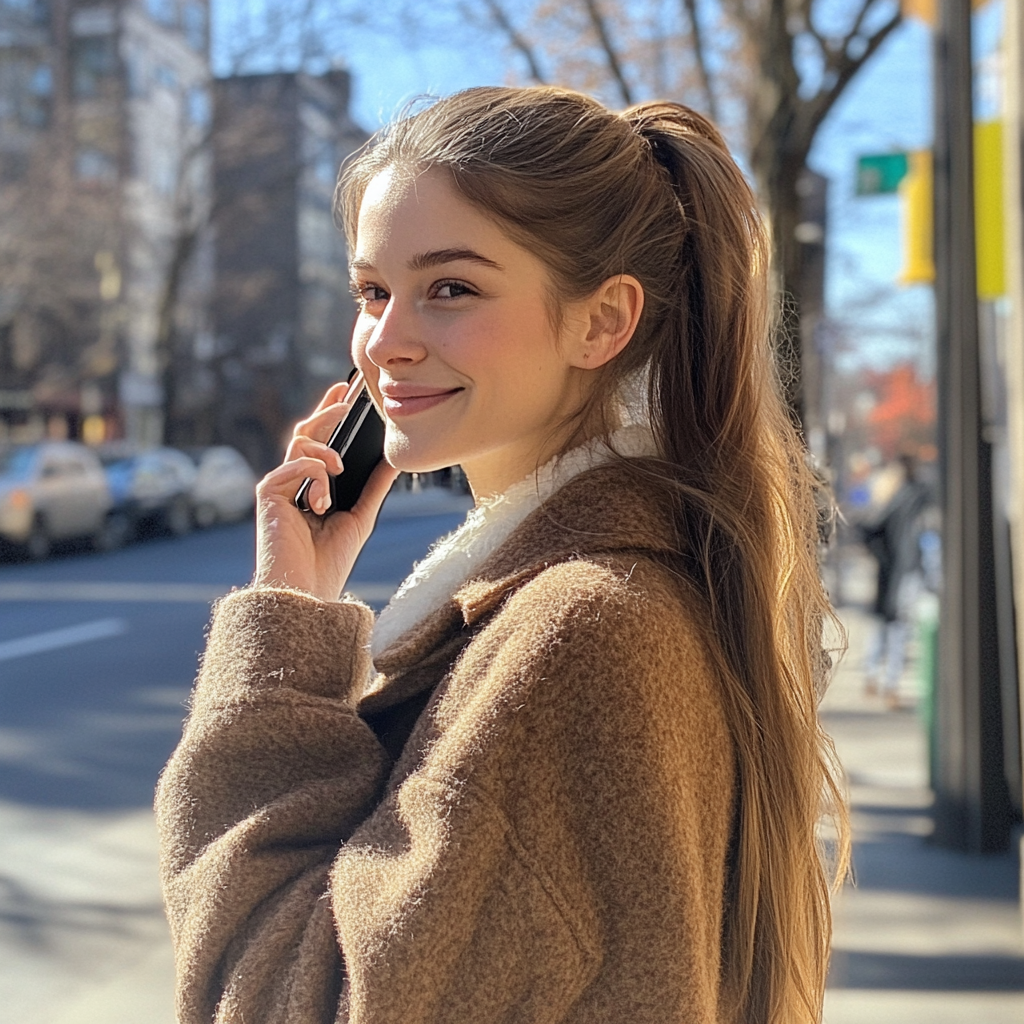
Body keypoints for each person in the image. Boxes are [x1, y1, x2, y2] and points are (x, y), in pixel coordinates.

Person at [156, 87, 848, 1024]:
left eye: (451, 288)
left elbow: (290, 1003)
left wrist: (279, 647)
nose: (385, 343)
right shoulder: (614, 599)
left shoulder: (580, 635)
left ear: (602, 322)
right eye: (373, 291)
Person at [859, 453, 932, 708]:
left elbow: (867, 530)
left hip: (891, 572)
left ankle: (872, 676)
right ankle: (890, 684)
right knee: (898, 627)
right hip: (905, 570)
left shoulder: (887, 501)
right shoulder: (911, 497)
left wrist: (880, 557)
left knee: (886, 623)